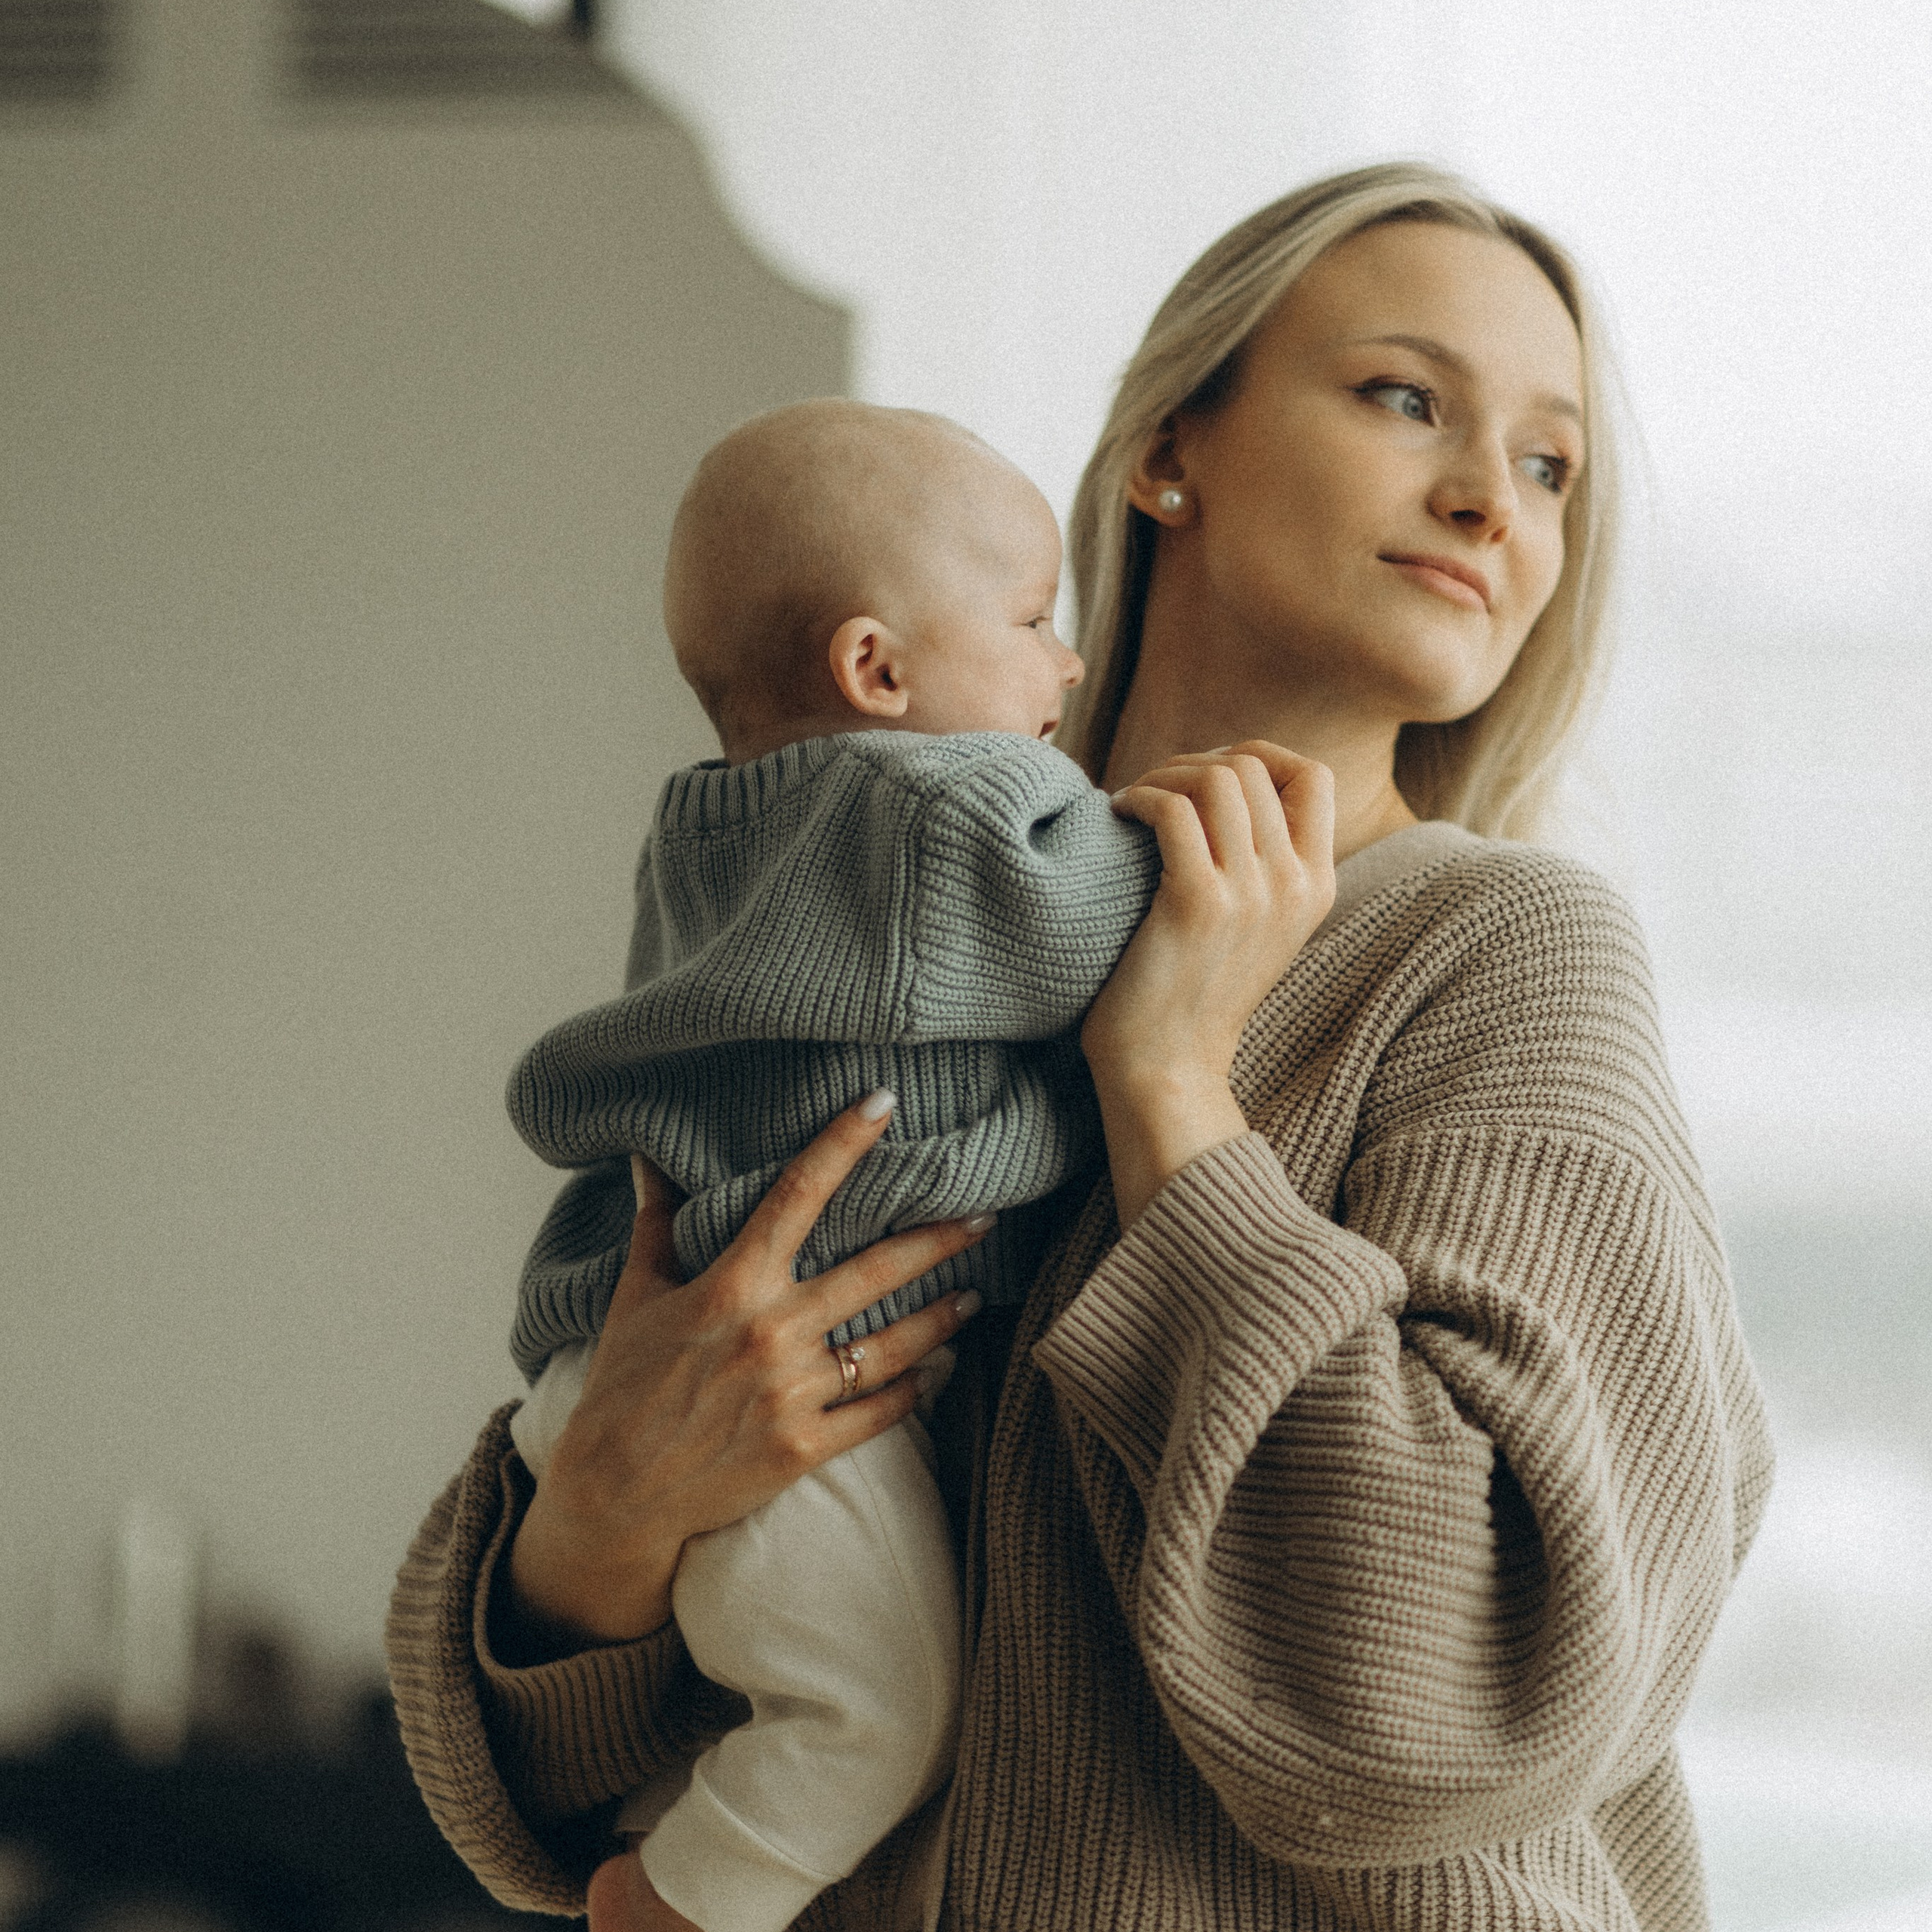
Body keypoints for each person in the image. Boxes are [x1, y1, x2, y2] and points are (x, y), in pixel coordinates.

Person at [386, 162, 1774, 1932]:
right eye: (1404, 396)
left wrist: (1172, 1094)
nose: (1484, 499)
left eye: (1549, 463)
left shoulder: (1500, 958)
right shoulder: (874, 901)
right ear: (1167, 448)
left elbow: (1443, 1704)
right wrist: (596, 1526)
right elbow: (534, 1817)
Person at [503, 398, 1171, 1932]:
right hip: (792, 1372)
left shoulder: (711, 831)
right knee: (877, 1705)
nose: (1066, 667)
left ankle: (686, 1841)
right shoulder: (938, 811)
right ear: (877, 672)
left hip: (634, 1362)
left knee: (791, 1680)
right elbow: (1093, 925)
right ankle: (681, 1899)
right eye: (1024, 621)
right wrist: (1195, 830)